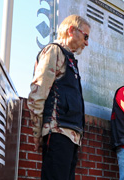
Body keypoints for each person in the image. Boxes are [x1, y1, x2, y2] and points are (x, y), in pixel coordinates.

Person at [27, 14, 91, 180]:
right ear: (71, 30)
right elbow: (37, 95)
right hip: (57, 133)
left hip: (70, 137)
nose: (86, 42)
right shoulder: (54, 51)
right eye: (85, 36)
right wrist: (38, 134)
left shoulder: (70, 60)